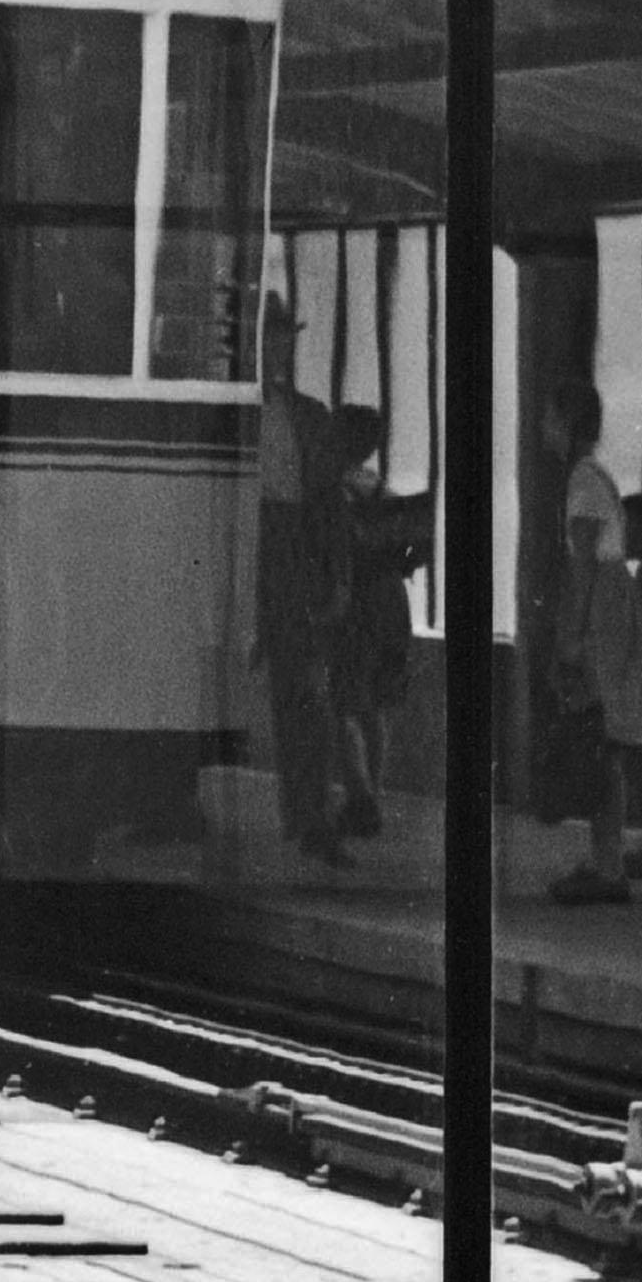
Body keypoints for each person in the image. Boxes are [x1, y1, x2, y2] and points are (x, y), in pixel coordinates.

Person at [536, 371, 642, 910]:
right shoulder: (594, 475)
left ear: (564, 422)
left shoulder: (583, 480)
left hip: (603, 610)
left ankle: (608, 868)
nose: (543, 426)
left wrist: (568, 638)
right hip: (615, 605)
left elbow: (583, 565)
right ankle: (606, 859)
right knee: (604, 740)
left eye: (548, 416)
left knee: (600, 736)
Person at [250, 296, 349, 864]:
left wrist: (339, 577)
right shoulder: (227, 410)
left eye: (285, 336)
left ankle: (312, 819)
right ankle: (167, 805)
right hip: (246, 550)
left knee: (307, 693)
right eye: (270, 336)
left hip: (294, 559)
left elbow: (331, 506)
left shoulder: (310, 416)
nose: (279, 347)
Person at [329, 400, 410, 844]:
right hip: (392, 602)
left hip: (355, 601)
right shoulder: (384, 490)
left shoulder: (334, 492)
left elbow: (335, 551)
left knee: (345, 703)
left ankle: (359, 798)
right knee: (377, 704)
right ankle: (372, 793)